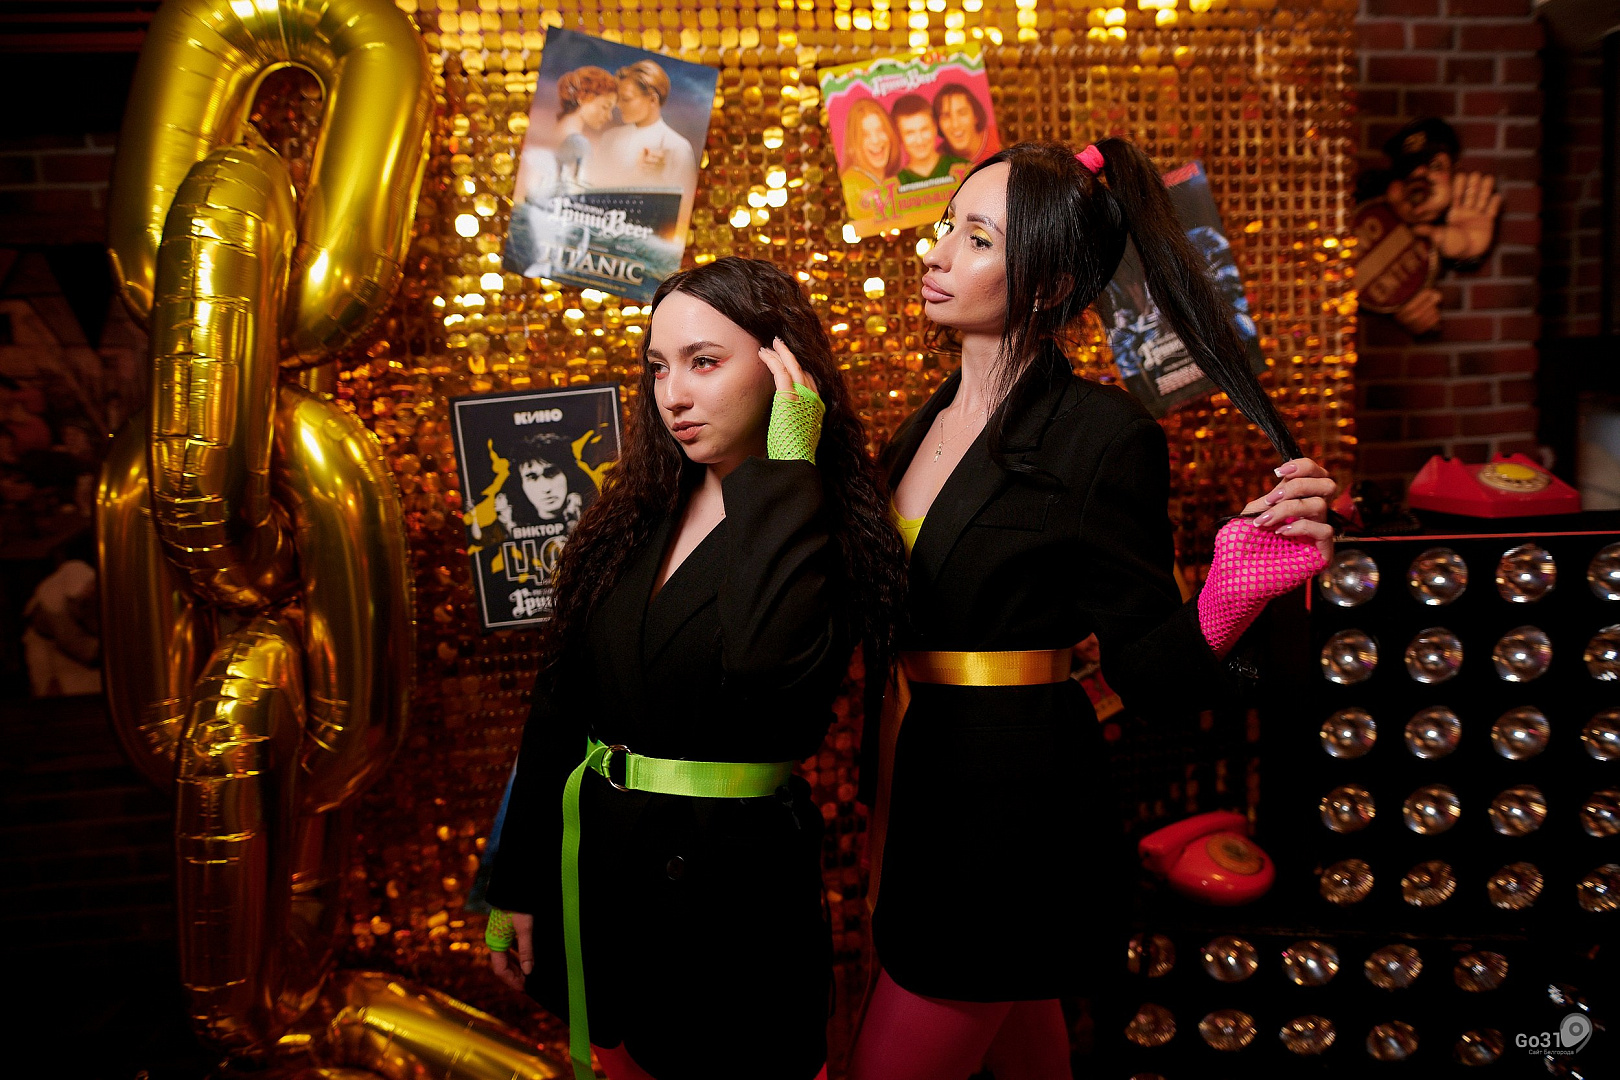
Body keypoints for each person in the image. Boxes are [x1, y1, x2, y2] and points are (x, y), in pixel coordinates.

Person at [847, 140, 1338, 1080]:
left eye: (976, 238)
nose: (935, 253)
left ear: (1049, 283)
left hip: (1008, 819)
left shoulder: (1103, 437)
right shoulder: (919, 424)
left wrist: (1229, 591)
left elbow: (1146, 673)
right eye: (946, 226)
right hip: (920, 788)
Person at [484, 257, 907, 1080]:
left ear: (784, 368)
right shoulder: (634, 516)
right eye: (658, 367)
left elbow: (762, 667)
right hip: (606, 888)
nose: (673, 394)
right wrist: (517, 879)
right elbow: (559, 707)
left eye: (704, 362)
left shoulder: (826, 526)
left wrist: (786, 473)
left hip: (731, 910)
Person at [586, 59, 700, 240]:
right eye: (618, 99)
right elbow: (593, 192)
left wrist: (660, 179)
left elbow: (682, 215)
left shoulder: (678, 147)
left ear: (653, 99)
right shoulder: (610, 138)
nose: (618, 105)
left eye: (626, 99)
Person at [495, 429, 586, 532]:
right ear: (521, 484)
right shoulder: (507, 525)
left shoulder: (592, 514)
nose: (546, 488)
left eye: (551, 473)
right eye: (532, 477)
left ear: (566, 474)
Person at [840, 98, 902, 214]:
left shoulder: (894, 181)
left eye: (881, 130)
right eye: (865, 135)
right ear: (852, 144)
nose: (875, 140)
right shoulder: (851, 185)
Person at [892, 94, 966, 187]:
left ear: (935, 128)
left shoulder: (963, 168)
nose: (919, 141)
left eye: (924, 129)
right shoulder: (896, 184)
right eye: (910, 133)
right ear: (899, 136)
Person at [931, 82, 990, 164]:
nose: (955, 125)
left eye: (962, 113)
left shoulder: (997, 136)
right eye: (946, 116)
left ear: (976, 116)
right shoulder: (938, 160)